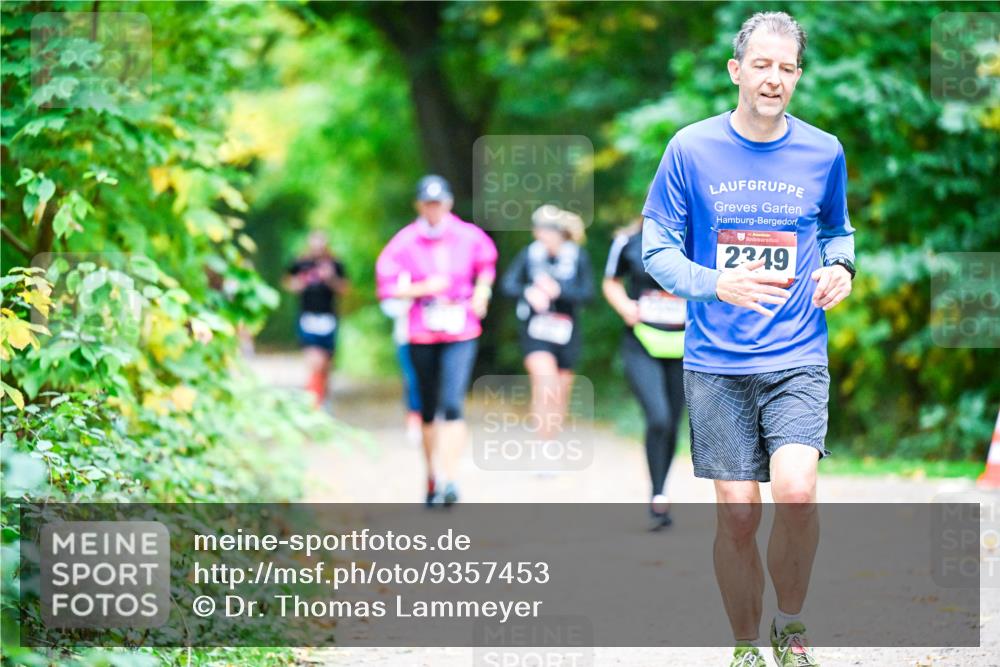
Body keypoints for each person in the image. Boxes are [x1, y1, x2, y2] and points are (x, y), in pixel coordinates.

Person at [641, 11, 855, 667]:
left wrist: (841, 268)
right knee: (737, 515)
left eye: (787, 68)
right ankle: (745, 642)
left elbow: (838, 230)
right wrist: (715, 283)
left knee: (795, 491)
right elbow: (656, 248)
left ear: (797, 77)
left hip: (795, 354)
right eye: (762, 65)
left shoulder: (823, 151)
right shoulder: (691, 148)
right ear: (737, 71)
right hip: (717, 363)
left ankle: (790, 625)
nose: (775, 78)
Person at [376, 175, 497, 507]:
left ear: (449, 203)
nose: (434, 209)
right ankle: (432, 476)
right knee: (428, 407)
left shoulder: (468, 236)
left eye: (439, 203)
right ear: (419, 205)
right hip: (422, 331)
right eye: (428, 204)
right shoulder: (403, 242)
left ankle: (451, 478)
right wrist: (424, 288)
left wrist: (482, 293)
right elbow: (386, 287)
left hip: (461, 328)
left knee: (453, 402)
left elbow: (487, 264)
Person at [603, 219, 685, 530]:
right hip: (642, 343)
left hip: (684, 345)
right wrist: (624, 305)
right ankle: (657, 491)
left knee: (673, 422)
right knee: (658, 417)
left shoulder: (699, 238)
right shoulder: (628, 241)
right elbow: (610, 281)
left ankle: (660, 492)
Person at [500, 205, 593, 471]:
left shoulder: (577, 257)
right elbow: (507, 284)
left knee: (560, 392)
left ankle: (551, 440)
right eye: (537, 229)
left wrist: (558, 291)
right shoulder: (530, 255)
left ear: (559, 232)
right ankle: (542, 448)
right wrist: (529, 291)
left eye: (545, 229)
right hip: (536, 331)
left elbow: (588, 294)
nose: (540, 234)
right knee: (546, 384)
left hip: (567, 332)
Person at [285, 230, 349, 408]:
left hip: (328, 319)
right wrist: (302, 281)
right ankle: (312, 402)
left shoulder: (335, 264)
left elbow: (345, 289)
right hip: (308, 318)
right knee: (314, 362)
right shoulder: (301, 263)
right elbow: (288, 283)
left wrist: (330, 278)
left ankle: (323, 398)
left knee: (326, 365)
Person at [380, 294, 423, 444]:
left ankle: (435, 421)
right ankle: (414, 422)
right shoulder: (400, 273)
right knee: (412, 380)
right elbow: (387, 303)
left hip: (441, 335)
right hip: (407, 336)